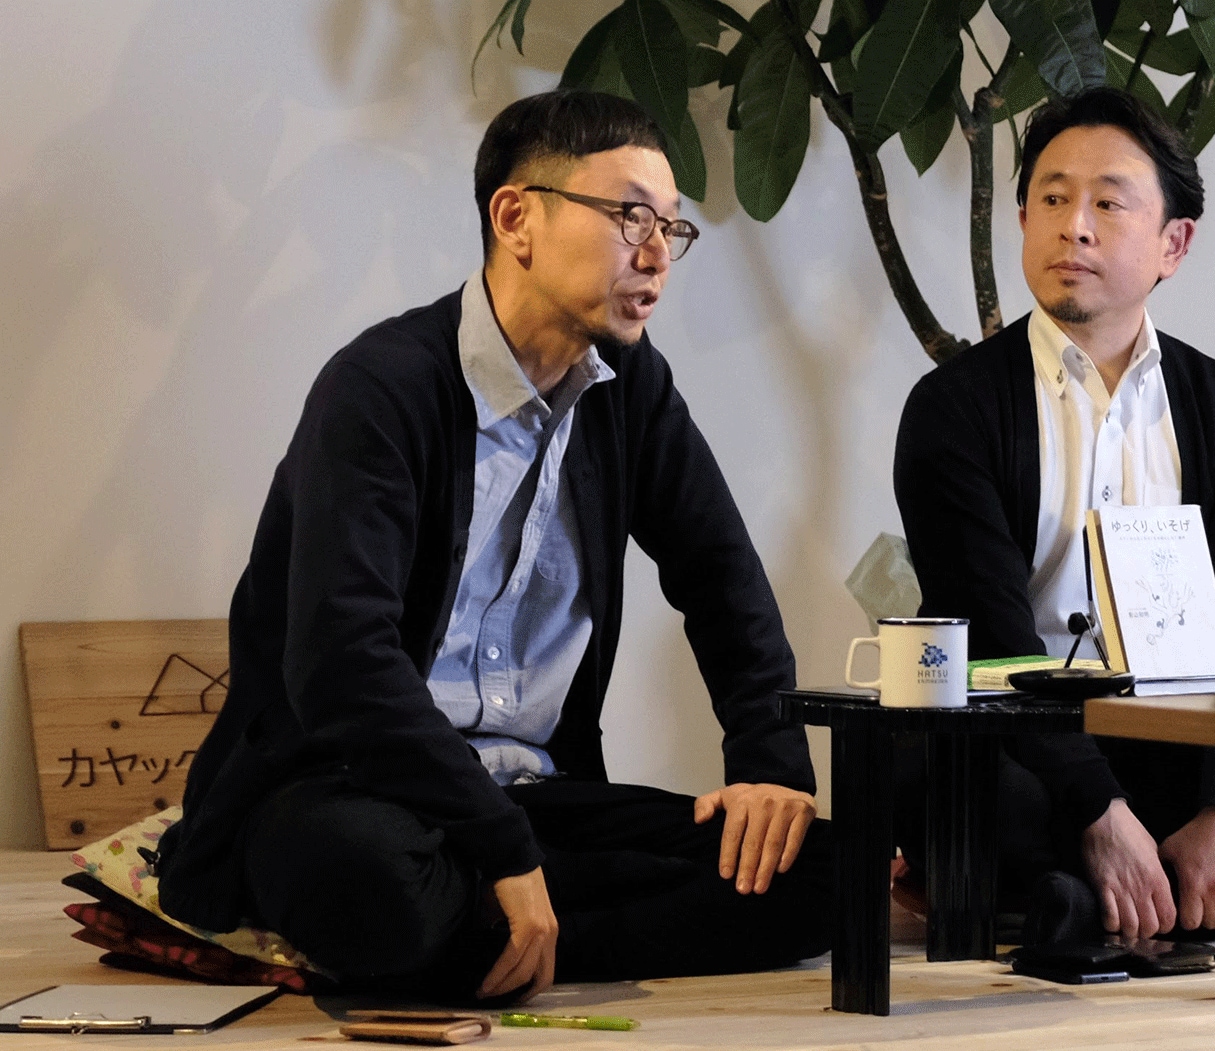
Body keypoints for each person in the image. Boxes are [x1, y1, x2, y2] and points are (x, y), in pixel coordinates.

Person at [155, 90, 830, 1002]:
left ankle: (503, 931)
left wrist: (768, 768)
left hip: (534, 796)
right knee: (372, 880)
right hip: (350, 789)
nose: (658, 255)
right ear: (516, 218)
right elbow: (342, 665)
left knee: (823, 869)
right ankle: (519, 907)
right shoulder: (381, 388)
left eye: (672, 228)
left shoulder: (630, 386)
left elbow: (722, 580)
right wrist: (504, 846)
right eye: (631, 217)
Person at [892, 86, 1215, 944]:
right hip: (1021, 739)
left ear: (1173, 244)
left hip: (1174, 735)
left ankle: (1077, 905)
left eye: (1108, 204)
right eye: (1052, 199)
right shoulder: (953, 408)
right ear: (1022, 220)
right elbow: (993, 626)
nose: (1074, 227)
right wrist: (1098, 810)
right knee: (961, 785)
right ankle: (1123, 894)